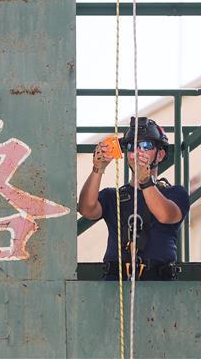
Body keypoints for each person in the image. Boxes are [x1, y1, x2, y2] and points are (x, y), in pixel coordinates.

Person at [78, 116, 190, 281]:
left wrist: (145, 181)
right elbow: (87, 209)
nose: (138, 151)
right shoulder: (113, 196)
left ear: (160, 155)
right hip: (115, 284)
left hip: (160, 285)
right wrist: (97, 169)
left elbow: (165, 215)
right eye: (132, 146)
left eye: (146, 146)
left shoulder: (175, 193)